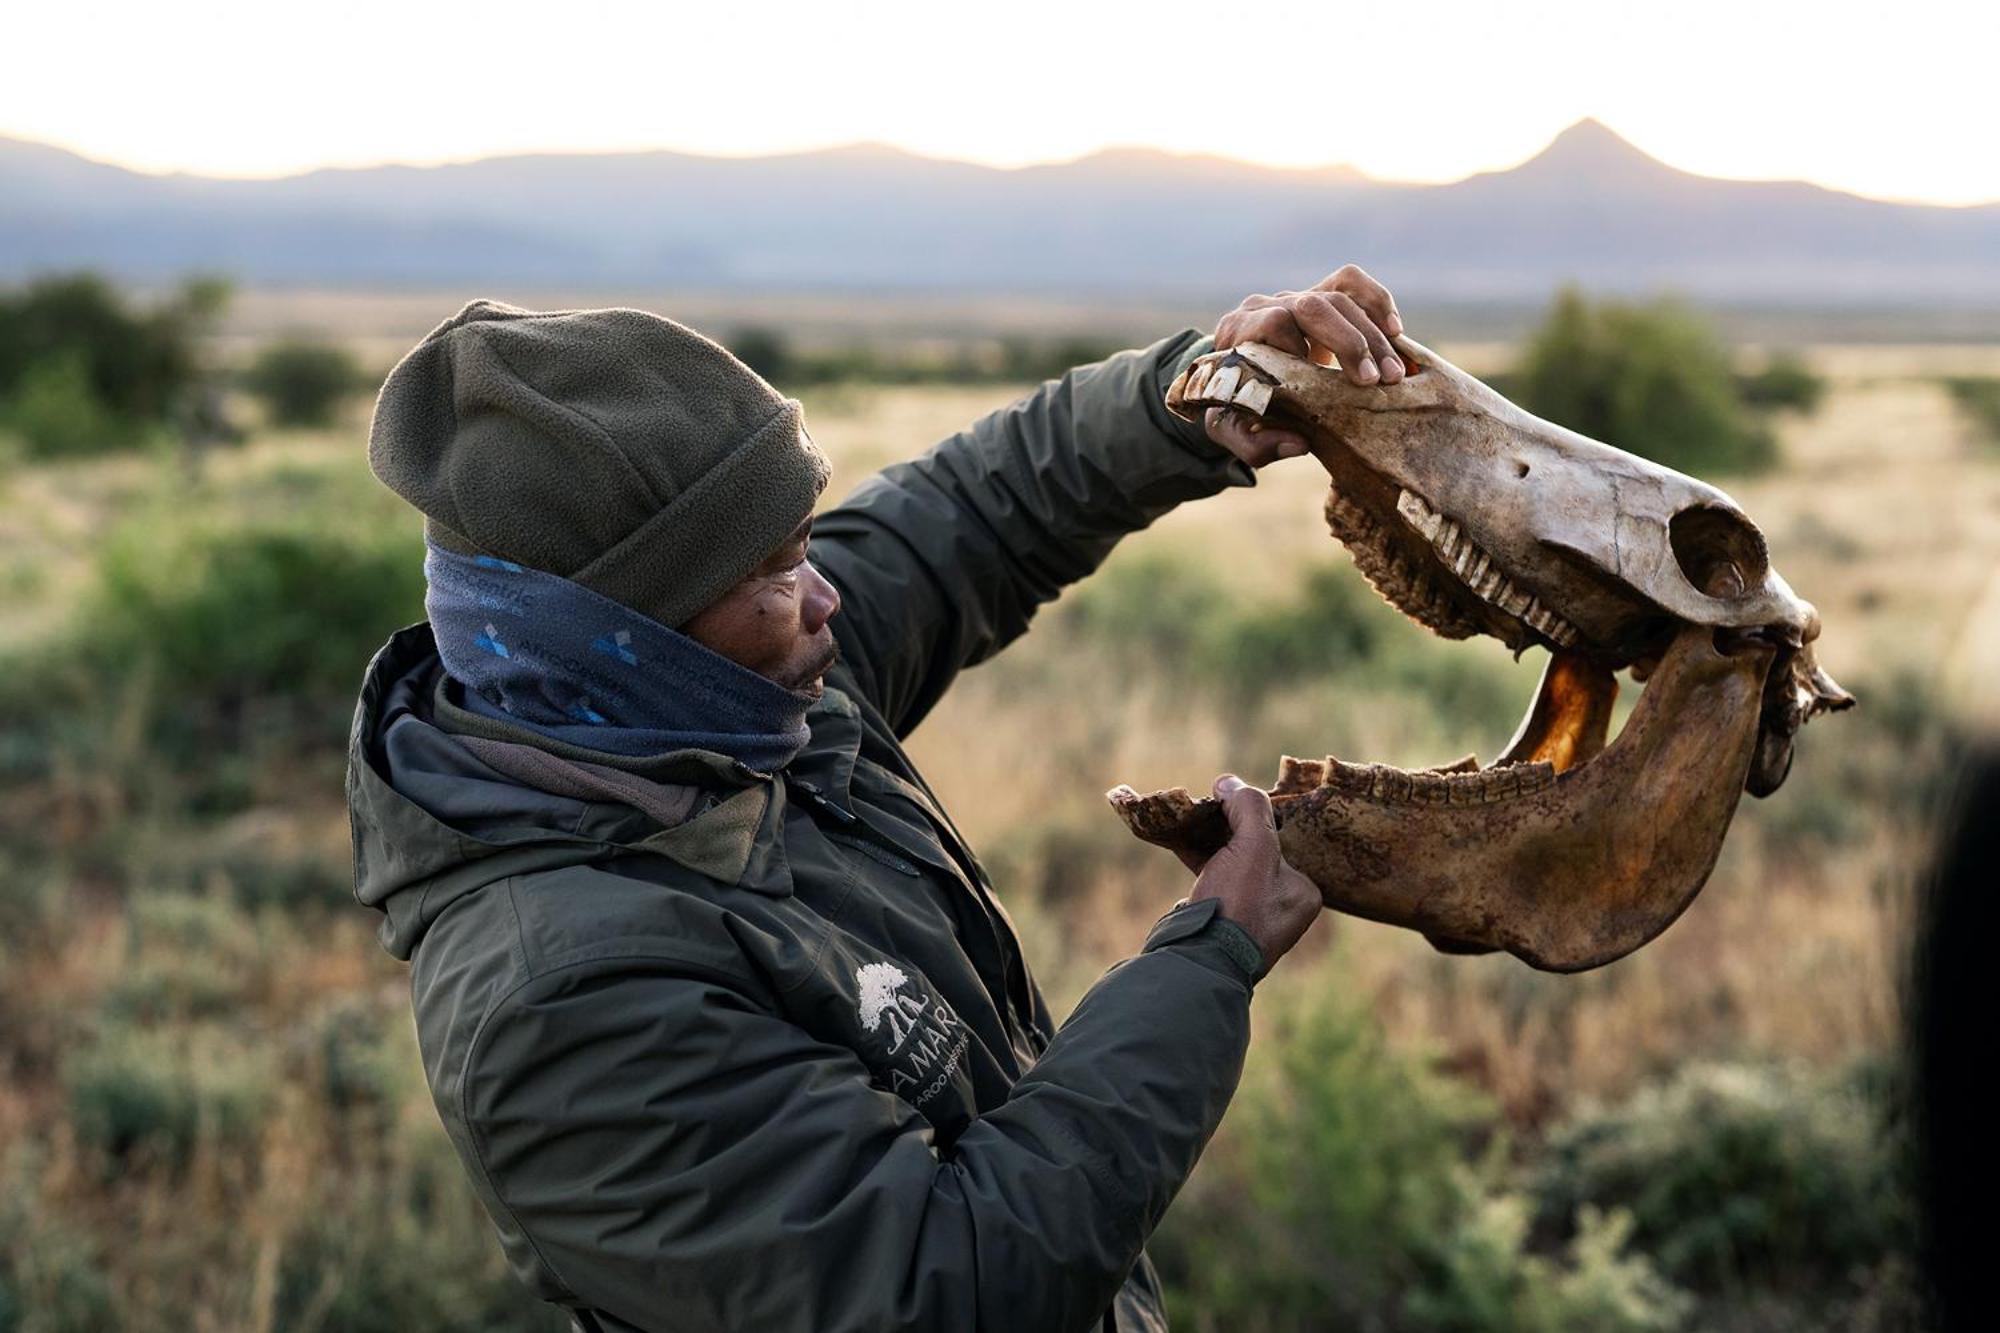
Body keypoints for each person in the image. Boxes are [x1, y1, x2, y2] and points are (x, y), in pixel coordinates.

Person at [348, 267, 1409, 1332]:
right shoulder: (564, 1005)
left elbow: (971, 515)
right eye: (769, 575)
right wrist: (1202, 966)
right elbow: (945, 1288)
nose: (824, 598)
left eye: (801, 543)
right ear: (624, 637)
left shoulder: (738, 703)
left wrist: (1189, 402)